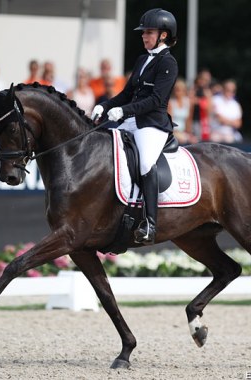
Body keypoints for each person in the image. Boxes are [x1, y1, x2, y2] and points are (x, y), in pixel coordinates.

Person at [91, 8, 178, 245]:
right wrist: (105, 105)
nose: (143, 36)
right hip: (131, 120)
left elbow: (157, 101)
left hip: (152, 125)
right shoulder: (142, 60)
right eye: (143, 33)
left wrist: (125, 110)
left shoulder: (168, 63)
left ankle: (150, 223)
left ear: (163, 35)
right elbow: (127, 93)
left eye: (148, 32)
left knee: (146, 162)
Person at [210, 79, 243, 143]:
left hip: (230, 134)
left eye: (232, 91)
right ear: (223, 89)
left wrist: (226, 121)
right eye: (228, 90)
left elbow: (238, 123)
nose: (230, 92)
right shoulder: (215, 100)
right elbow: (220, 120)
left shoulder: (235, 105)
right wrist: (232, 122)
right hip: (215, 132)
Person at [167, 78, 196, 144]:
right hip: (174, 132)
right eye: (176, 90)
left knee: (194, 140)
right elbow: (169, 122)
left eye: (180, 90)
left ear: (184, 91)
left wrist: (189, 133)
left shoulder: (188, 102)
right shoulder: (171, 103)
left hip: (184, 132)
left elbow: (189, 120)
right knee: (182, 139)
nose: (177, 92)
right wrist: (176, 132)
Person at [189, 68, 213, 141]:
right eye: (202, 79)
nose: (204, 82)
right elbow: (190, 103)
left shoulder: (207, 92)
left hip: (203, 122)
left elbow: (209, 109)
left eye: (206, 80)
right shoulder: (193, 90)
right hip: (194, 120)